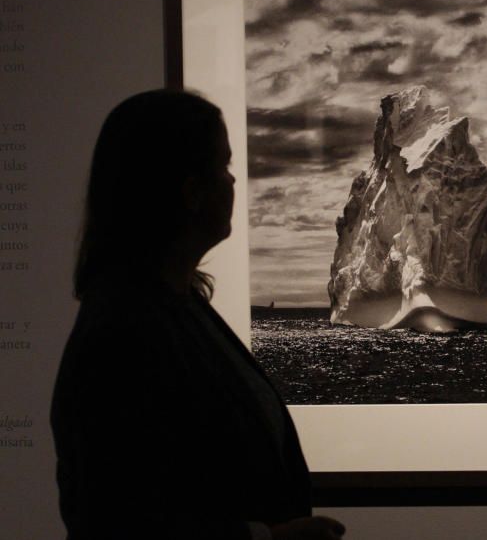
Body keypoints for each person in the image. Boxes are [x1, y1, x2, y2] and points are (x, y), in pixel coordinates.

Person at [51, 89, 345, 540]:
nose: (232, 182)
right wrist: (271, 537)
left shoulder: (172, 308)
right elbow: (115, 520)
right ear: (190, 191)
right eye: (224, 167)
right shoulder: (123, 331)